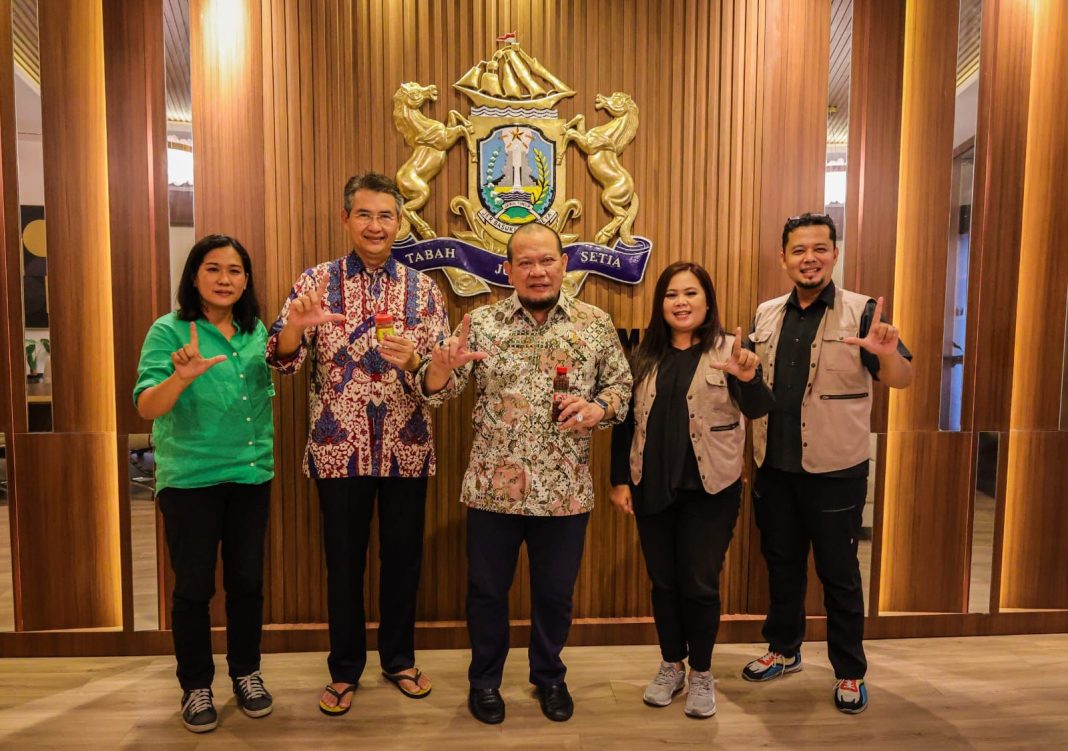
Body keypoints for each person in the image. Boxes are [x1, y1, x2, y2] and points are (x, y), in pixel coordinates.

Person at [419, 222, 632, 725]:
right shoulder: (481, 323)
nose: (538, 271)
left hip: (564, 490)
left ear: (564, 264)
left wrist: (599, 408)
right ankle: (484, 681)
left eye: (547, 260)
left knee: (555, 595)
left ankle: (549, 676)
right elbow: (440, 391)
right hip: (493, 489)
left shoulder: (594, 323)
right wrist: (439, 369)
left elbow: (622, 387)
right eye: (526, 263)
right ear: (508, 269)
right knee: (486, 593)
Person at [266, 173, 450, 716]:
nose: (375, 226)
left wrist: (418, 362)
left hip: (406, 446)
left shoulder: (425, 290)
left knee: (403, 561)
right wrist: (296, 327)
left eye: (385, 215)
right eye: (365, 214)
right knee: (343, 564)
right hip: (337, 448)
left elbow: (443, 381)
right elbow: (281, 358)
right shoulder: (316, 281)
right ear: (345, 219)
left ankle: (398, 659)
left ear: (400, 222)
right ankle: (344, 669)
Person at [741, 212, 913, 714]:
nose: (809, 258)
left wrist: (887, 354)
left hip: (837, 471)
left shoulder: (863, 312)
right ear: (783, 258)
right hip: (774, 467)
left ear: (835, 254)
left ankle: (849, 670)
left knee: (839, 573)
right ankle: (784, 650)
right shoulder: (765, 314)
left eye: (820, 248)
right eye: (799, 250)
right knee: (782, 566)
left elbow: (902, 379)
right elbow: (751, 383)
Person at [608, 262, 774, 719]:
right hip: (651, 486)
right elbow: (625, 423)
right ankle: (671, 665)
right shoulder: (644, 355)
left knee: (699, 583)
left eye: (690, 293)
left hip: (712, 489)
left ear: (707, 300)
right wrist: (619, 479)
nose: (680, 302)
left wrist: (748, 377)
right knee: (664, 583)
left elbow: (760, 407)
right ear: (660, 304)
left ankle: (701, 671)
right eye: (671, 295)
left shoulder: (731, 351)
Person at [134, 234, 275, 733]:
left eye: (234, 271)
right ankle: (195, 685)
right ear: (194, 276)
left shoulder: (256, 331)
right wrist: (181, 378)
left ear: (246, 280)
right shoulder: (169, 330)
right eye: (213, 269)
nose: (224, 279)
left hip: (251, 473)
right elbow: (146, 406)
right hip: (191, 478)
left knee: (247, 583)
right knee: (194, 587)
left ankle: (246, 672)